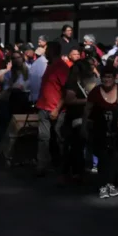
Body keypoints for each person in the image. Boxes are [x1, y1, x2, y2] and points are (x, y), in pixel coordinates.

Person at [85, 65, 118, 199]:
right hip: (100, 128)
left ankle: (110, 182)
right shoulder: (95, 92)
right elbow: (87, 110)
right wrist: (84, 127)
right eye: (104, 77)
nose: (107, 80)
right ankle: (102, 185)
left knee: (114, 157)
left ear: (114, 78)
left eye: (109, 77)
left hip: (117, 129)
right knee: (103, 157)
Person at [35, 41, 70, 177]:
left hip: (56, 109)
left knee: (59, 138)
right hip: (44, 106)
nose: (45, 52)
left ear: (53, 51)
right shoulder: (50, 66)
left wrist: (57, 108)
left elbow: (66, 90)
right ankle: (42, 165)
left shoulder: (61, 67)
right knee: (43, 137)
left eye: (47, 49)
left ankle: (62, 166)